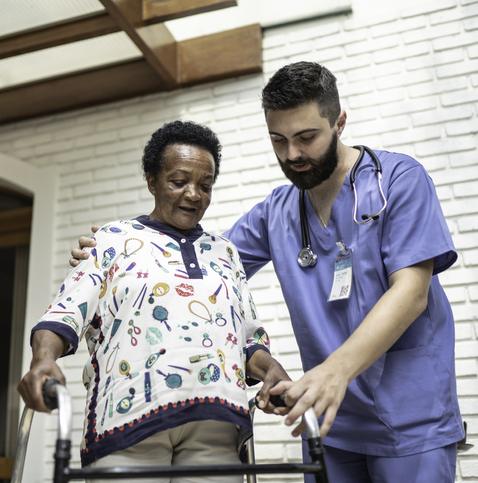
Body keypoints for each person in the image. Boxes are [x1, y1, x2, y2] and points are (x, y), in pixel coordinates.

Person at [71, 62, 464, 482]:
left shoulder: (398, 180)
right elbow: (199, 267)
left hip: (410, 417)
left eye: (306, 137)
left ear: (340, 122)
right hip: (329, 422)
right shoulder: (277, 212)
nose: (292, 154)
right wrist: (122, 249)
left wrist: (335, 372)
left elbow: (411, 292)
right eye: (279, 140)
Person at [18, 120, 288, 483]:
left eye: (205, 185)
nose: (193, 194)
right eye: (179, 181)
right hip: (128, 422)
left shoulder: (225, 253)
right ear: (152, 181)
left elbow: (248, 338)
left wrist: (270, 369)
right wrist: (43, 360)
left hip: (216, 424)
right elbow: (65, 313)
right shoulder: (114, 239)